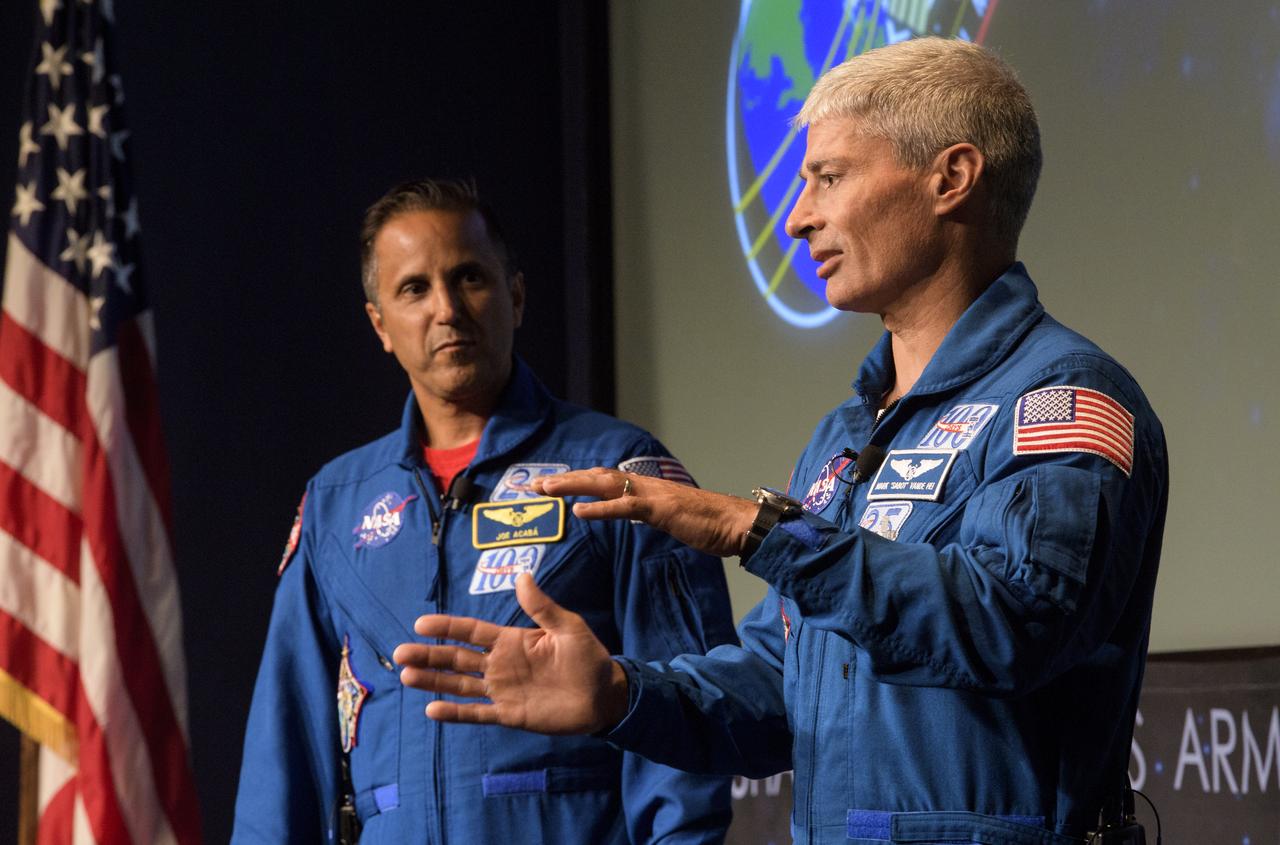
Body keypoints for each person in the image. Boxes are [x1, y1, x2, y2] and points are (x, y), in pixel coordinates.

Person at [393, 38, 1169, 845]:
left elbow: (1013, 622)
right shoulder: (844, 435)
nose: (798, 218)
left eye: (829, 177)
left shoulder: (1063, 398)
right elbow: (776, 687)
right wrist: (621, 694)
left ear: (952, 178)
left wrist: (759, 529)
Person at [231, 178, 738, 843]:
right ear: (380, 325)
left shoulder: (616, 470)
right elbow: (284, 752)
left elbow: (685, 716)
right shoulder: (336, 502)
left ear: (516, 296)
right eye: (414, 288)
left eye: (469, 277)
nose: (446, 309)